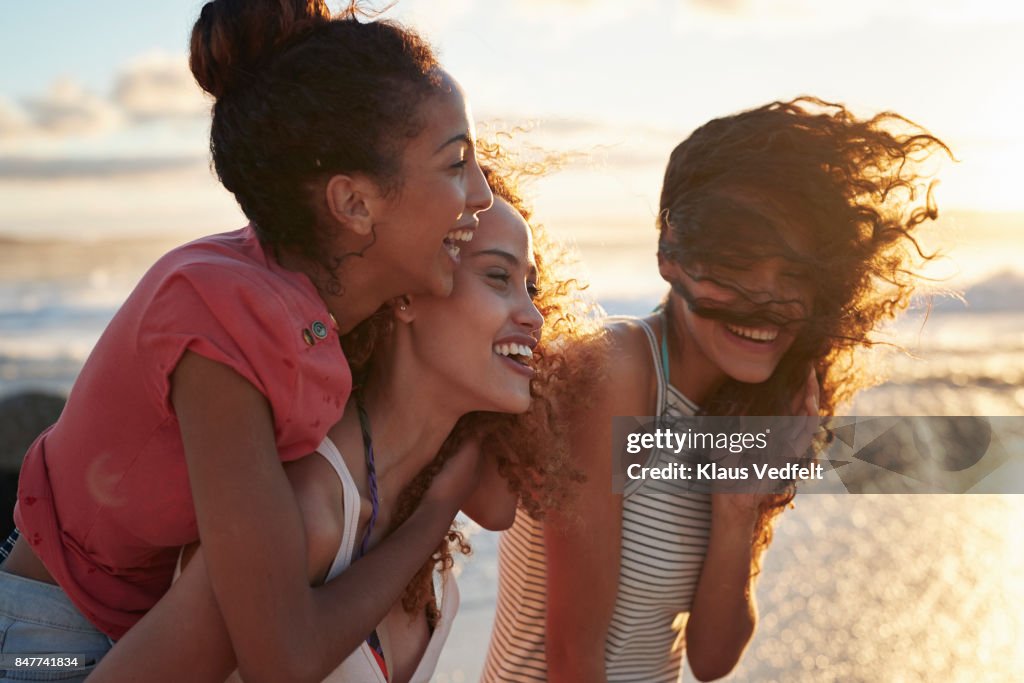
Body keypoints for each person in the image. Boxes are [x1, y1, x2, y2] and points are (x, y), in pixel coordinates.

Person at [0, 2, 495, 680]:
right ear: (352, 204)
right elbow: (281, 659)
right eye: (457, 163)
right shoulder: (224, 322)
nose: (482, 196)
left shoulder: (305, 294)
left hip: (137, 627)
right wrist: (434, 514)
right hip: (49, 639)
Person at [483, 97, 952, 682]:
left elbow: (710, 657)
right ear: (670, 255)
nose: (767, 302)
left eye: (793, 274)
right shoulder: (617, 374)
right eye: (738, 264)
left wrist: (737, 507)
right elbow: (572, 657)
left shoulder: (754, 405)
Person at [87, 160, 593, 683]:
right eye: (498, 277)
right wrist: (438, 510)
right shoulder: (309, 504)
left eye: (530, 288)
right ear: (407, 291)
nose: (533, 315)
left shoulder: (430, 492)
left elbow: (512, 505)